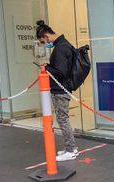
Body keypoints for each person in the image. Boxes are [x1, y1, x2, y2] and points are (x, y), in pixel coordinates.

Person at [36, 20, 78, 161]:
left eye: (43, 41)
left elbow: (60, 72)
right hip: (63, 88)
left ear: (47, 36)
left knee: (62, 119)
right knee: (63, 118)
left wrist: (46, 68)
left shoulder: (60, 48)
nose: (45, 44)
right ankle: (71, 148)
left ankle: (70, 150)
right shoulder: (64, 44)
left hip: (60, 89)